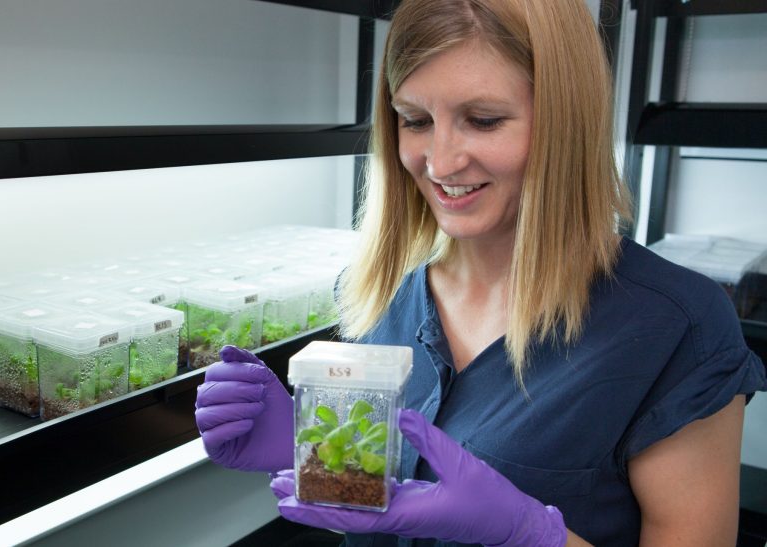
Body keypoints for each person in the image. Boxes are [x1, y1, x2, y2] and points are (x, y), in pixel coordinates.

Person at [194, 0, 767, 545]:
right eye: (414, 120)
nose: (440, 163)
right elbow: (372, 520)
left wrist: (528, 532)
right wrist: (310, 455)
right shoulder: (377, 294)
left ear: (567, 123)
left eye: (484, 120)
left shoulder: (676, 328)